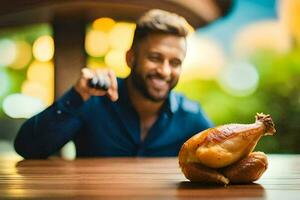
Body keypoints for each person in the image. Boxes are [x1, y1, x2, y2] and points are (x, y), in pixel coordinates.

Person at [14, 9, 213, 159]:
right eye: (155, 58)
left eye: (175, 63)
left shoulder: (191, 116)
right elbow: (27, 147)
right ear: (130, 58)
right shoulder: (92, 99)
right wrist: (75, 98)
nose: (165, 70)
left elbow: (224, 158)